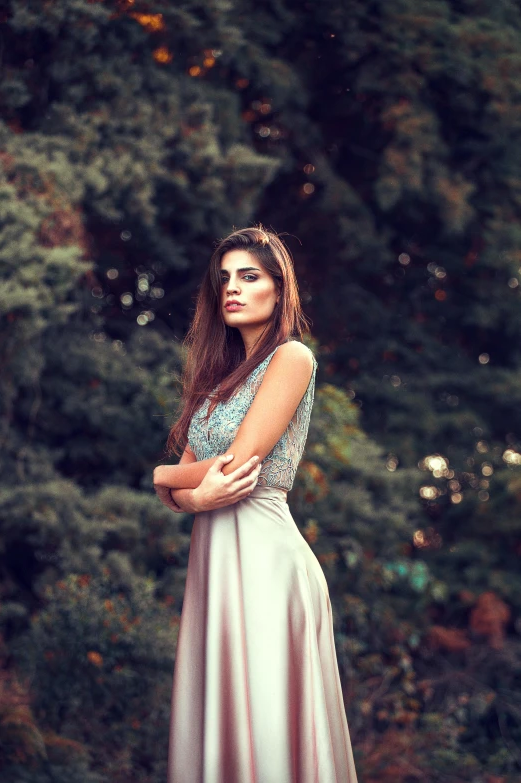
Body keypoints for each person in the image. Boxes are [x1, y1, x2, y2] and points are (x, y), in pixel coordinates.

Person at [153, 226, 358, 783]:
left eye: (249, 276)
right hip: (216, 564)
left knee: (267, 727)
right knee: (221, 718)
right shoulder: (218, 380)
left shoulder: (291, 357)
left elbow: (237, 463)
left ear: (278, 288)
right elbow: (192, 490)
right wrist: (192, 495)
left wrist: (164, 475)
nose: (232, 289)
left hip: (266, 562)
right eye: (224, 279)